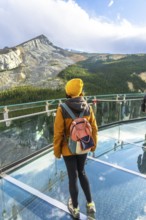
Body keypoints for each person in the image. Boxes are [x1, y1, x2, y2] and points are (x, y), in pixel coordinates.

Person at [53, 78, 98, 219]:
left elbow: (58, 133)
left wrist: (57, 151)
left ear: (68, 91)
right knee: (82, 172)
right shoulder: (87, 107)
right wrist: (92, 146)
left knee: (73, 177)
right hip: (83, 146)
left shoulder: (62, 108)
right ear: (80, 91)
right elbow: (94, 129)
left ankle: (76, 208)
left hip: (68, 149)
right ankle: (90, 204)